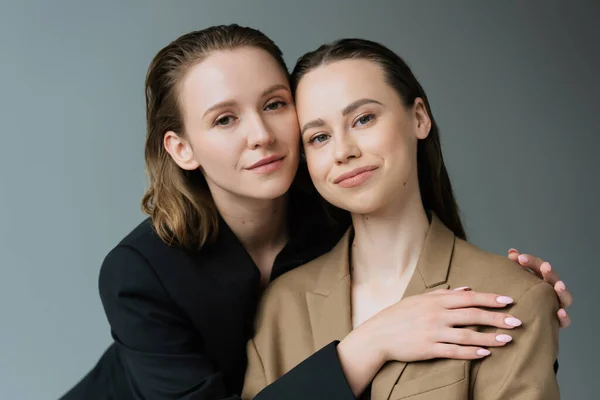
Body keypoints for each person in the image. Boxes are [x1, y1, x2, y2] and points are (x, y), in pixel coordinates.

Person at [60, 26, 572, 400]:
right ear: (181, 149)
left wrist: (527, 308)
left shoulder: (333, 205)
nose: (260, 134)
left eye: (276, 104)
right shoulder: (142, 273)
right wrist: (369, 342)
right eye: (224, 119)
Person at [242, 38, 564, 400]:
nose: (343, 151)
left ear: (419, 118)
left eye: (363, 119)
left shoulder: (511, 296)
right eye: (318, 137)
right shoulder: (283, 304)